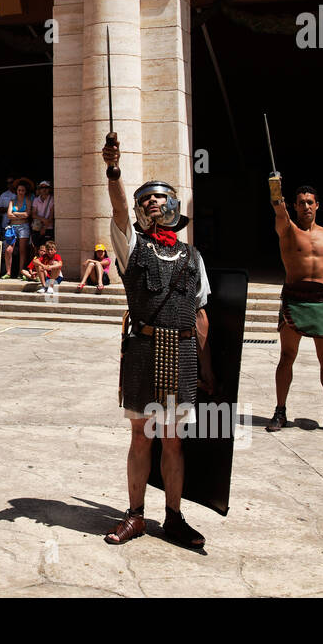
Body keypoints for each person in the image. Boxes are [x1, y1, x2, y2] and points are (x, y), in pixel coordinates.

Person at [101, 138, 214, 549]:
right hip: (144, 351)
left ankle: (174, 516)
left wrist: (207, 368)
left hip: (181, 353)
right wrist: (114, 170)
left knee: (173, 440)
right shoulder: (133, 247)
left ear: (172, 206)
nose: (151, 204)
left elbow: (200, 313)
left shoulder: (191, 256)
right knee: (140, 436)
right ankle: (135, 516)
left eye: (157, 198)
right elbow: (115, 209)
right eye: (144, 199)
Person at [267, 182, 323, 436]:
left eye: (310, 202)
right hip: (294, 300)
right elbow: (278, 211)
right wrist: (276, 190)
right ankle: (280, 411)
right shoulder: (287, 230)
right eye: (301, 202)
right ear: (294, 206)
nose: (306, 206)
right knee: (287, 357)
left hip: (322, 302)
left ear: (317, 205)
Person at [5, 178, 34, 277]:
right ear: (16, 191)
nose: (21, 192)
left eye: (22, 190)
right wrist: (20, 215)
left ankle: (20, 272)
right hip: (12, 226)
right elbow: (8, 215)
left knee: (22, 250)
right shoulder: (12, 201)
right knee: (8, 250)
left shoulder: (28, 201)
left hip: (24, 226)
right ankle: (8, 272)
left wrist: (15, 213)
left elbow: (27, 214)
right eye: (19, 190)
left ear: (25, 191)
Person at [32, 181, 55, 247]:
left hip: (48, 228)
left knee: (46, 248)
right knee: (36, 248)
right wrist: (44, 219)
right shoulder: (36, 200)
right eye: (42, 187)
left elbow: (51, 215)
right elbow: (33, 214)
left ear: (49, 189)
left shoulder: (52, 199)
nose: (44, 189)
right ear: (39, 189)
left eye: (46, 187)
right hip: (37, 227)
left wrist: (44, 228)